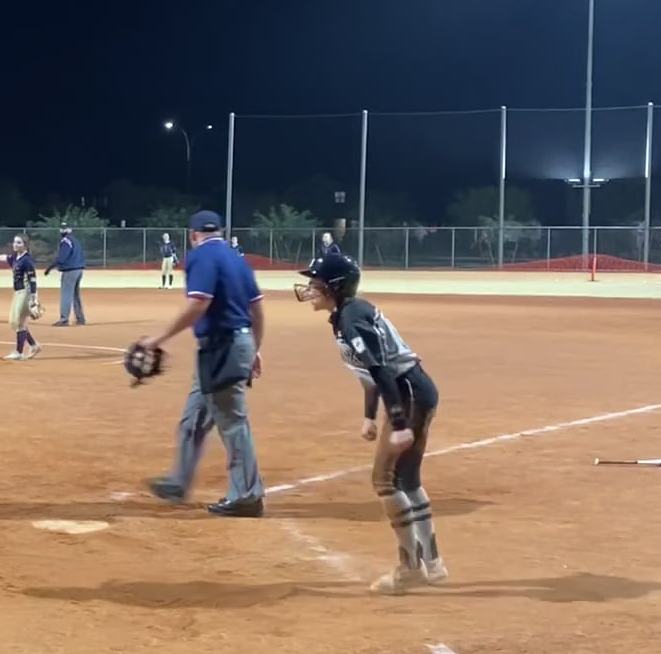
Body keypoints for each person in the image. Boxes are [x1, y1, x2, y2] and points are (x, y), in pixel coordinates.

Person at [296, 246, 445, 595]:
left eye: (316, 283)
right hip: (413, 389)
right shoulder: (347, 314)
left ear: (334, 287)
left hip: (407, 393)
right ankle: (433, 564)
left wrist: (399, 422)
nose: (310, 289)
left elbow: (381, 371)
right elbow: (371, 374)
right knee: (407, 478)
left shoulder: (351, 320)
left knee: (384, 479)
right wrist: (369, 415)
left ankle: (410, 569)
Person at [142, 211, 265, 517]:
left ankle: (248, 495)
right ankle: (178, 482)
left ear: (193, 234)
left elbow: (199, 302)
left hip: (223, 349)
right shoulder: (236, 258)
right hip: (230, 347)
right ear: (220, 231)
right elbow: (257, 309)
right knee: (193, 420)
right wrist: (254, 348)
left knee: (232, 422)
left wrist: (158, 338)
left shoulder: (199, 256)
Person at [0, 235, 42, 361]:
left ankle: (19, 352)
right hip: (18, 292)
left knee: (19, 322)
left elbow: (32, 279)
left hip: (26, 292)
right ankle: (34, 345)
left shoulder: (27, 260)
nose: (15, 244)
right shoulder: (16, 256)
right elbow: (6, 257)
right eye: (14, 242)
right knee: (14, 321)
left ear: (25, 245)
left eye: (19, 242)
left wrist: (33, 297)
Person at [45, 223, 86, 326]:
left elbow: (61, 258)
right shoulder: (75, 240)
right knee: (75, 295)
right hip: (79, 269)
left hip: (70, 270)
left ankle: (64, 319)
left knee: (66, 294)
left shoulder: (65, 241)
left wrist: (50, 268)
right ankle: (80, 318)